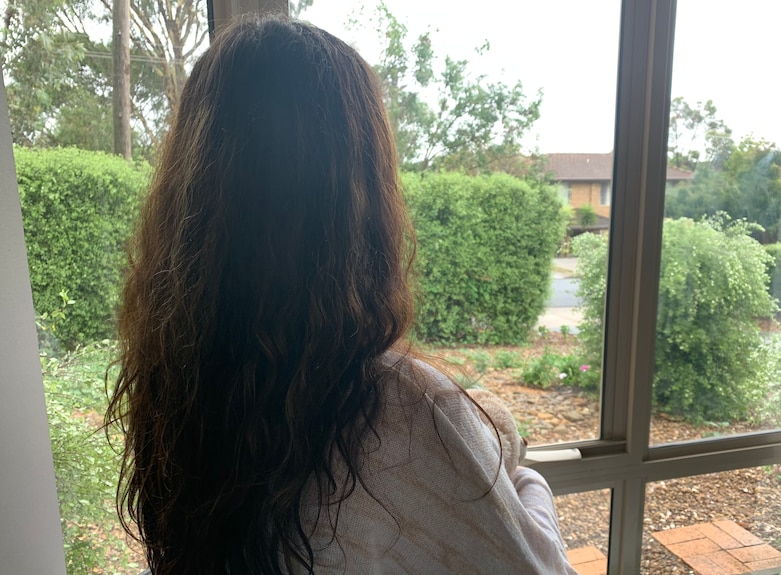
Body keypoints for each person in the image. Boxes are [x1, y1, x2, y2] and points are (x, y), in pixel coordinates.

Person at [107, 15, 576, 575]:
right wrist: (518, 470)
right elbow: (543, 568)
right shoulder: (403, 407)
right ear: (358, 198)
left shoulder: (179, 384)